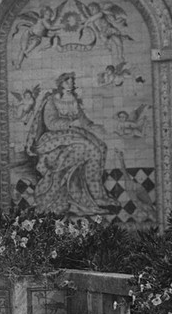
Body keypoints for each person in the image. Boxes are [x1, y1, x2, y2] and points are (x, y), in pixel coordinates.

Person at [25, 72, 115, 215]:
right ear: (61, 83)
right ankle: (93, 197)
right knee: (92, 150)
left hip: (73, 132)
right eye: (68, 81)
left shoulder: (73, 99)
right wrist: (70, 123)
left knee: (102, 147)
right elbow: (51, 123)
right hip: (55, 138)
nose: (72, 82)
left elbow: (83, 120)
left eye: (73, 80)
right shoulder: (52, 101)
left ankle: (98, 193)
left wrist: (93, 126)